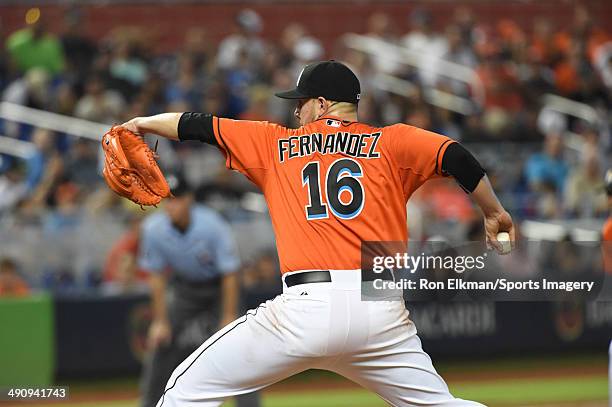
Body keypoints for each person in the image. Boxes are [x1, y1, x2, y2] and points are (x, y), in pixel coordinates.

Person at [123, 60, 515, 407]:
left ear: (323, 104)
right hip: (380, 313)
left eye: (301, 101)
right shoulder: (392, 142)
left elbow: (197, 126)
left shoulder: (275, 142)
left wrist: (141, 123)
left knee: (184, 392)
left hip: (305, 309)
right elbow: (457, 157)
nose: (295, 110)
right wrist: (493, 210)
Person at [137, 174, 258, 407]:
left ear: (189, 200)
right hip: (185, 289)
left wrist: (228, 316)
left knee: (237, 346)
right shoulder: (153, 229)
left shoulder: (212, 225)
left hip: (219, 289)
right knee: (162, 342)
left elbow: (230, 273)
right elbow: (157, 276)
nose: (171, 205)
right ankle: (149, 404)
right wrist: (160, 321)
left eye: (177, 199)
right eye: (167, 199)